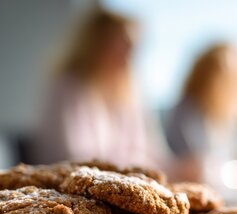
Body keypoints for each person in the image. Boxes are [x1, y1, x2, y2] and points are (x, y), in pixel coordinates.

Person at [31, 8, 170, 170]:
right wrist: (137, 166)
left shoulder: (129, 94)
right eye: (122, 44)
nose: (130, 54)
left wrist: (179, 167)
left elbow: (150, 149)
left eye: (134, 46)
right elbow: (74, 155)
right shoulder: (68, 86)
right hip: (65, 185)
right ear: (97, 44)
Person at [165, 43, 237, 182]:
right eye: (224, 76)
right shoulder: (187, 113)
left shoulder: (235, 117)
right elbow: (194, 164)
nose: (230, 85)